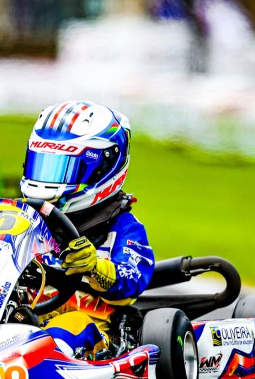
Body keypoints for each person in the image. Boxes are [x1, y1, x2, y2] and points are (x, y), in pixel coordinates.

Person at [19, 100, 155, 359]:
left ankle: (40, 360)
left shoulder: (123, 227)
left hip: (92, 334)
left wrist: (94, 268)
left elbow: (131, 283)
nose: (46, 178)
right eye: (42, 164)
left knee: (70, 326)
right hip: (25, 323)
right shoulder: (24, 221)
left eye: (61, 169)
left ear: (102, 168)